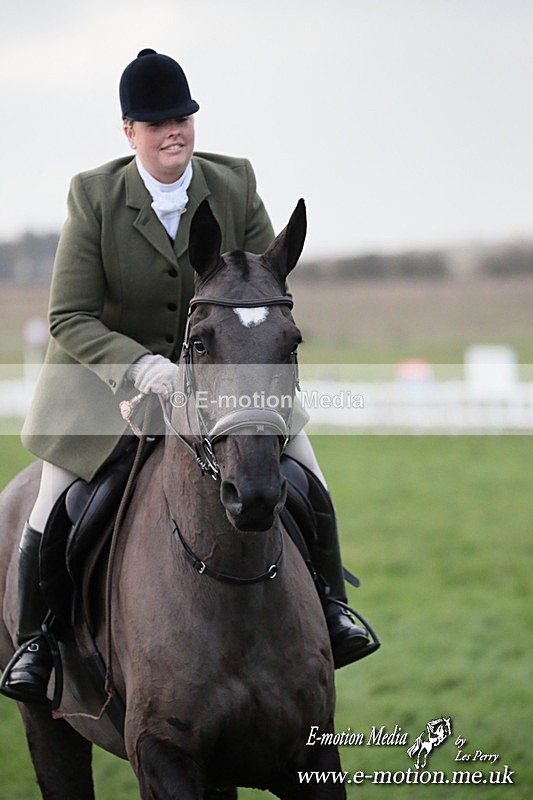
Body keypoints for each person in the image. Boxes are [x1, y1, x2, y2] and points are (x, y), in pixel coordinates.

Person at [0, 49, 374, 705]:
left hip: (223, 376)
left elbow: (265, 279)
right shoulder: (93, 197)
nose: (173, 131)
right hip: (102, 383)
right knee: (50, 504)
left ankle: (333, 610)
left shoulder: (233, 182)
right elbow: (68, 314)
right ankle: (36, 643)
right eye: (156, 123)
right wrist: (142, 366)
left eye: (182, 117)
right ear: (129, 133)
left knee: (309, 475)